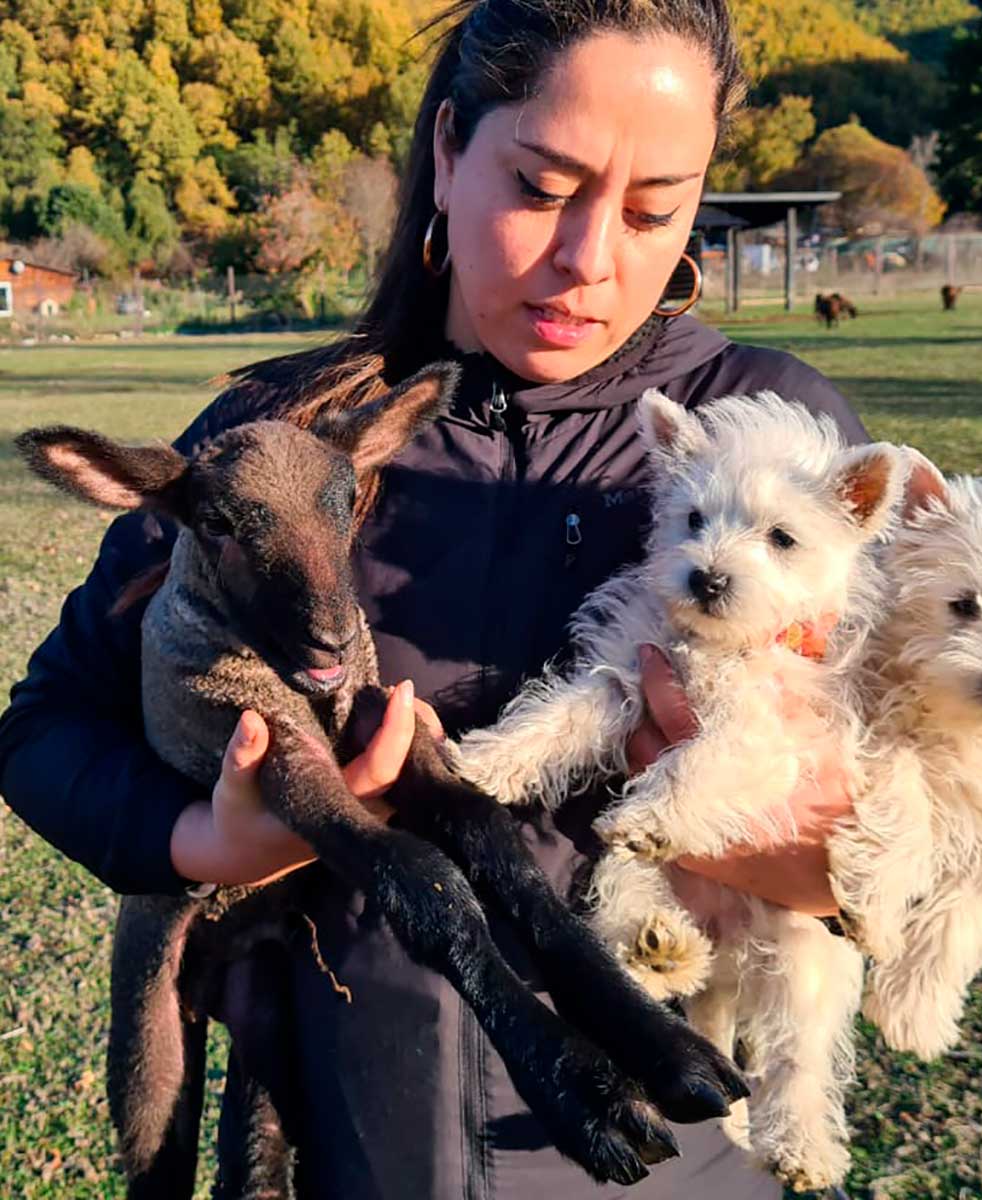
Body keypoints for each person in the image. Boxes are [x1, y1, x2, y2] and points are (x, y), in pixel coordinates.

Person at [0, 1, 868, 1196]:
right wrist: (204, 838)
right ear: (450, 150)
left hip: (683, 1157)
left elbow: (951, 754)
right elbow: (43, 732)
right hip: (351, 1146)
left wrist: (838, 861)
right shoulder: (283, 441)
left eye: (655, 209)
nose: (592, 259)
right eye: (542, 185)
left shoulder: (764, 444)